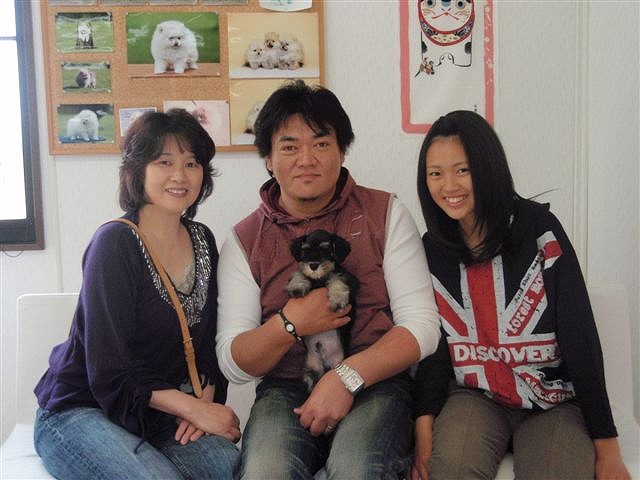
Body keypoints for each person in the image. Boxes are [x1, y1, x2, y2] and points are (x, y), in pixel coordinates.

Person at [216, 79, 441, 479]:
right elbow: (234, 362)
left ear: (342, 151)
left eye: (321, 143)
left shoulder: (385, 213)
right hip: (286, 389)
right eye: (289, 147)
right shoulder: (245, 239)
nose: (307, 159)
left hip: (376, 380)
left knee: (357, 469)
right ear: (268, 158)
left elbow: (422, 326)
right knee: (266, 472)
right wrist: (290, 324)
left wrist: (346, 377)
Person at [411, 110, 630, 480]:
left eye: (463, 170)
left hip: (553, 401)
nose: (449, 185)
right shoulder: (433, 248)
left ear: (489, 167)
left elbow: (578, 333)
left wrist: (607, 442)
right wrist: (423, 423)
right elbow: (436, 345)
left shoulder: (539, 230)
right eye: (435, 173)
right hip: (475, 397)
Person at [34, 109, 240, 479]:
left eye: (191, 163)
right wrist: (192, 410)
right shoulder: (114, 243)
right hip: (82, 409)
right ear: (136, 170)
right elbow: (109, 369)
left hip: (159, 412)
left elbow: (208, 341)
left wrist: (203, 401)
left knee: (226, 466)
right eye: (164, 162)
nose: (180, 176)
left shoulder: (203, 239)